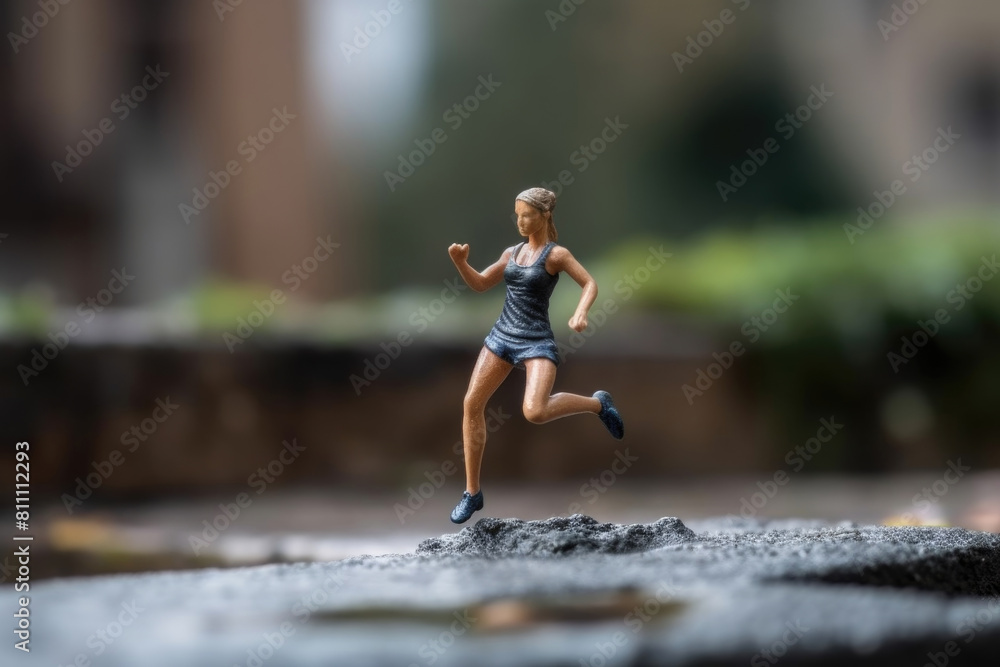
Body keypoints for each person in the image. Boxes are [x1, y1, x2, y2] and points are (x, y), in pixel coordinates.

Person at [446, 187, 624, 524]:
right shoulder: (511, 252)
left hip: (536, 340)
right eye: (517, 215)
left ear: (544, 216)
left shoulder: (556, 256)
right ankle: (472, 493)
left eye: (526, 215)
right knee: (471, 404)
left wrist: (581, 312)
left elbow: (589, 283)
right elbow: (483, 283)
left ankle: (598, 404)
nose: (520, 221)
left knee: (536, 410)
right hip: (502, 336)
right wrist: (461, 263)